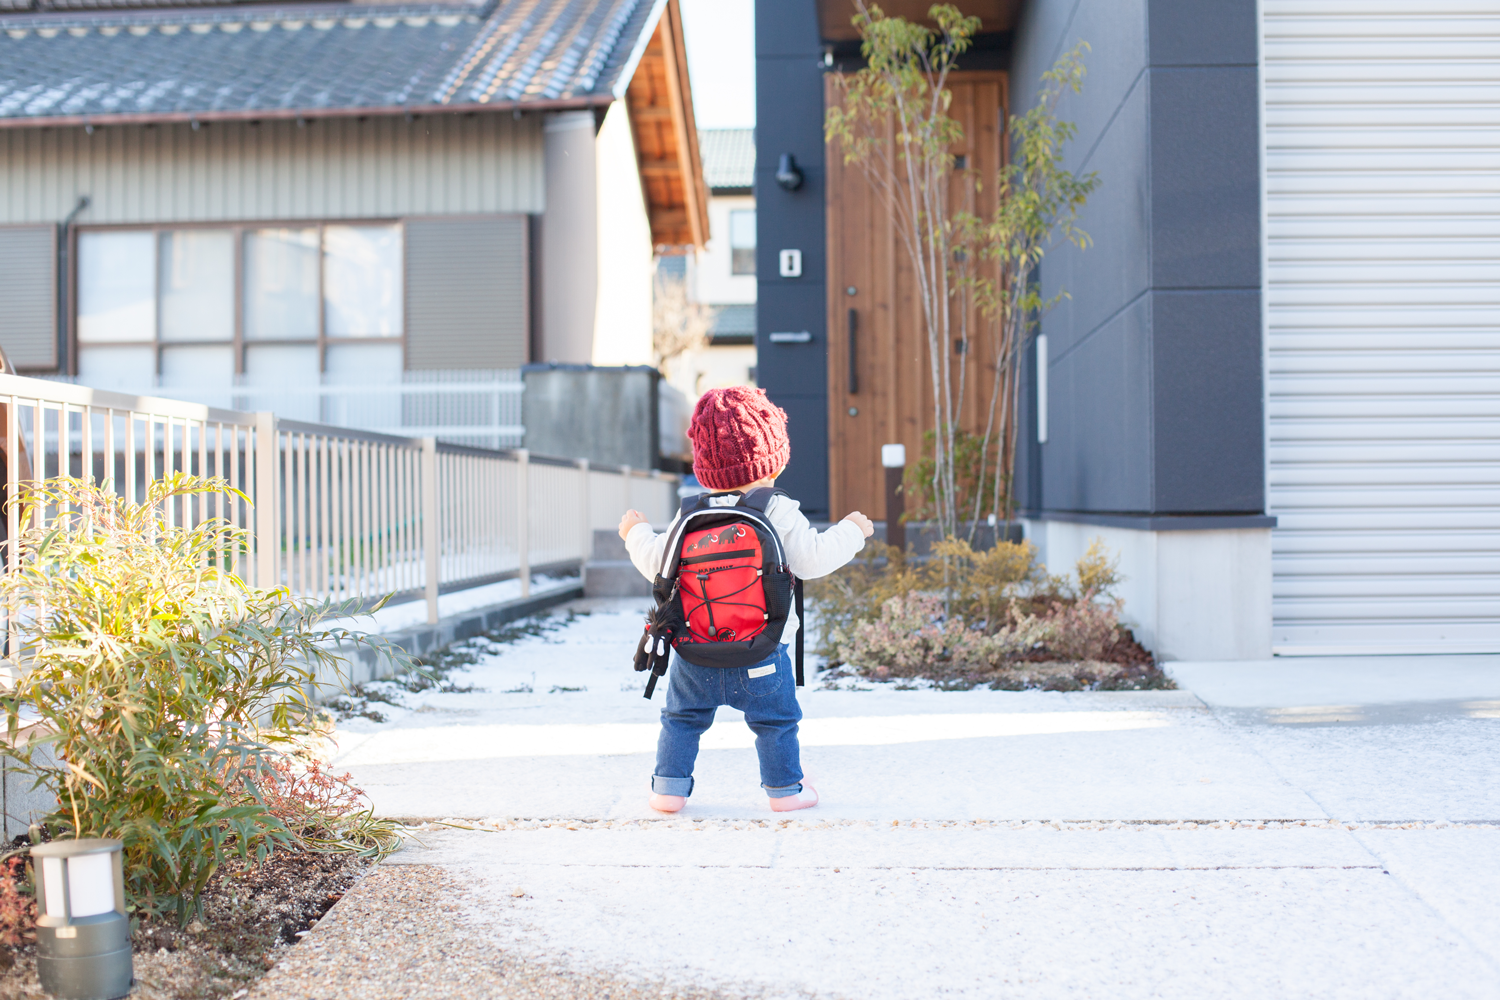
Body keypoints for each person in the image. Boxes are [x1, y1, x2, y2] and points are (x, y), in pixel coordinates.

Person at [618, 386, 874, 814]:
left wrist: (634, 533)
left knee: (681, 721)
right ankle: (785, 791)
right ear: (774, 459)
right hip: (764, 653)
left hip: (694, 653)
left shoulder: (690, 515)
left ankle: (668, 788)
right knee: (775, 724)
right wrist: (852, 530)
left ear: (704, 469)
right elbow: (812, 560)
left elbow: (655, 564)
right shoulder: (777, 509)